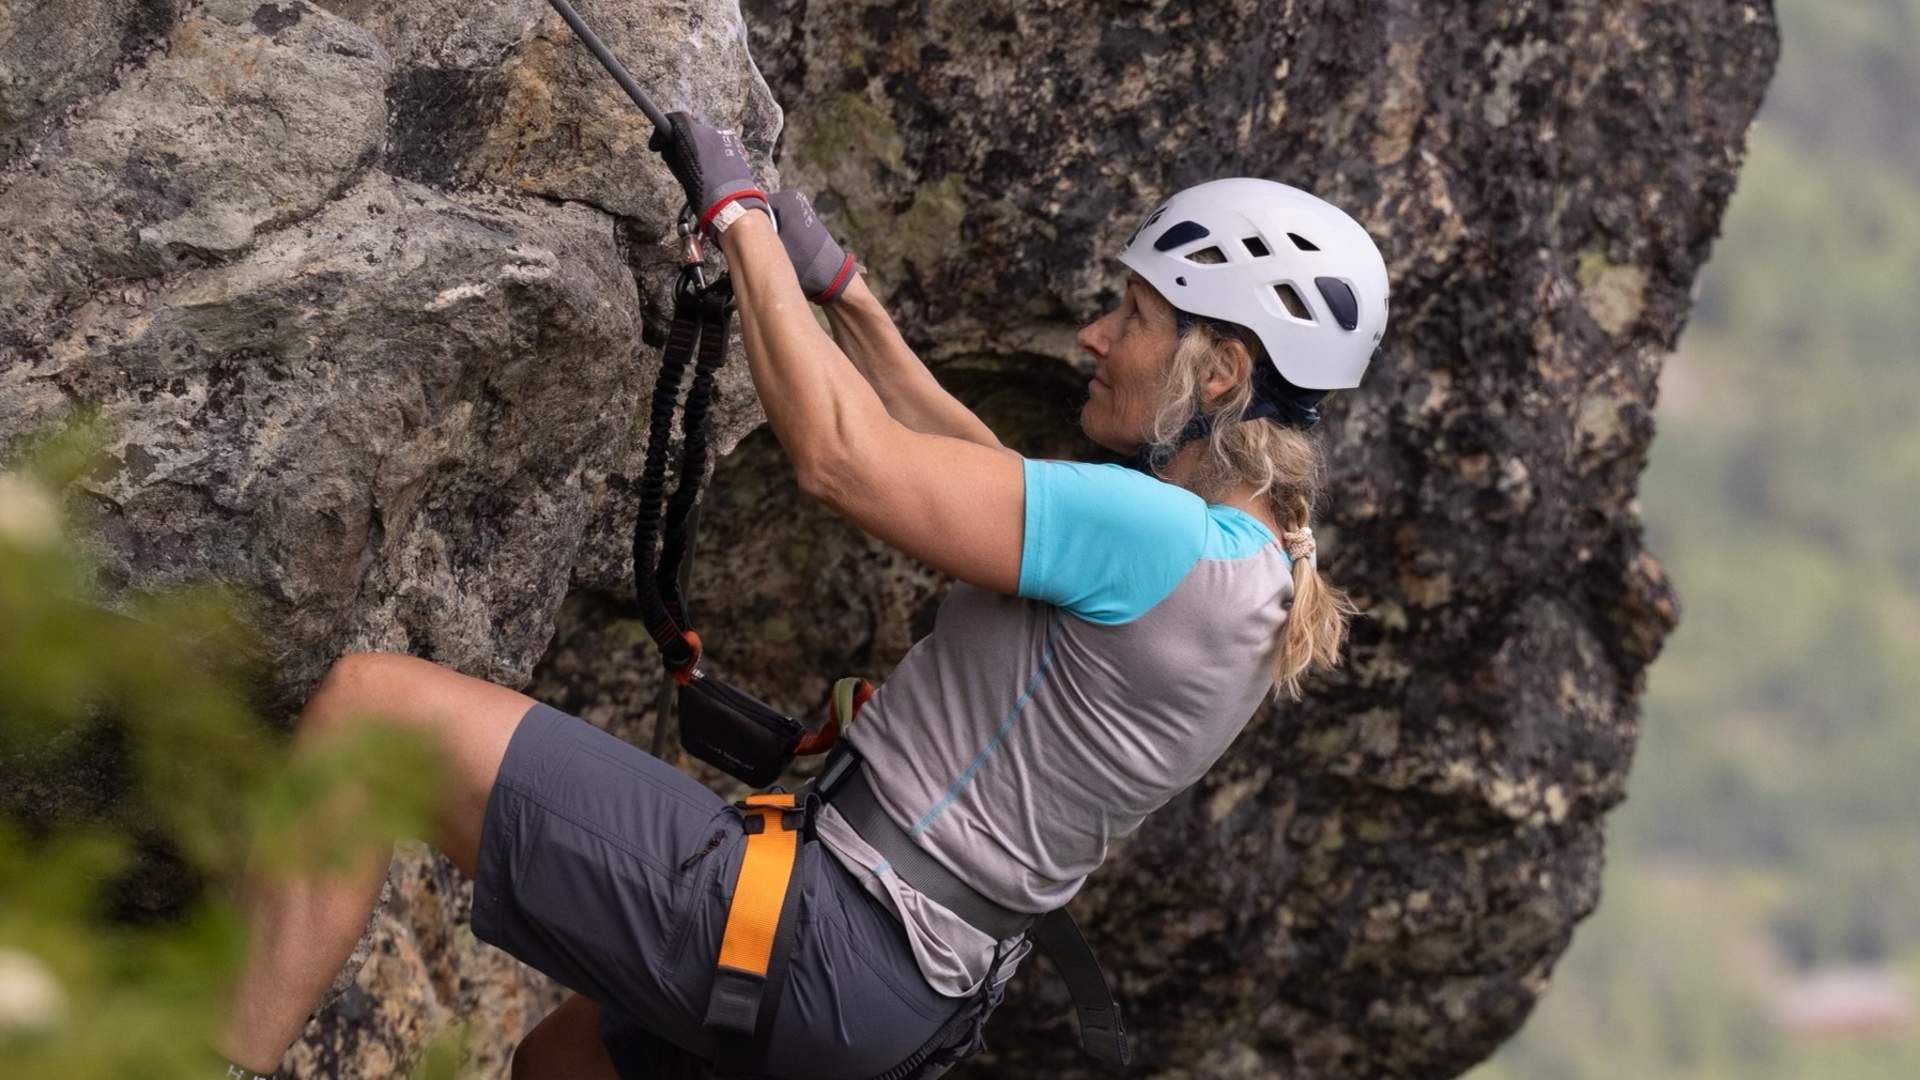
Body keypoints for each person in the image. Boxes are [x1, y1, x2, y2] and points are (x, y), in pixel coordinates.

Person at [213, 114, 1388, 1080]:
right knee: (565, 1068)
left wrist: (739, 227)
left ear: (1219, 369)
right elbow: (982, 483)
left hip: (828, 932)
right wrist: (848, 303)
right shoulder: (1254, 559)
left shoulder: (1160, 533)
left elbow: (842, 462)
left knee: (372, 716)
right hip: (899, 1003)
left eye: (1131, 317)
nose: (1093, 335)